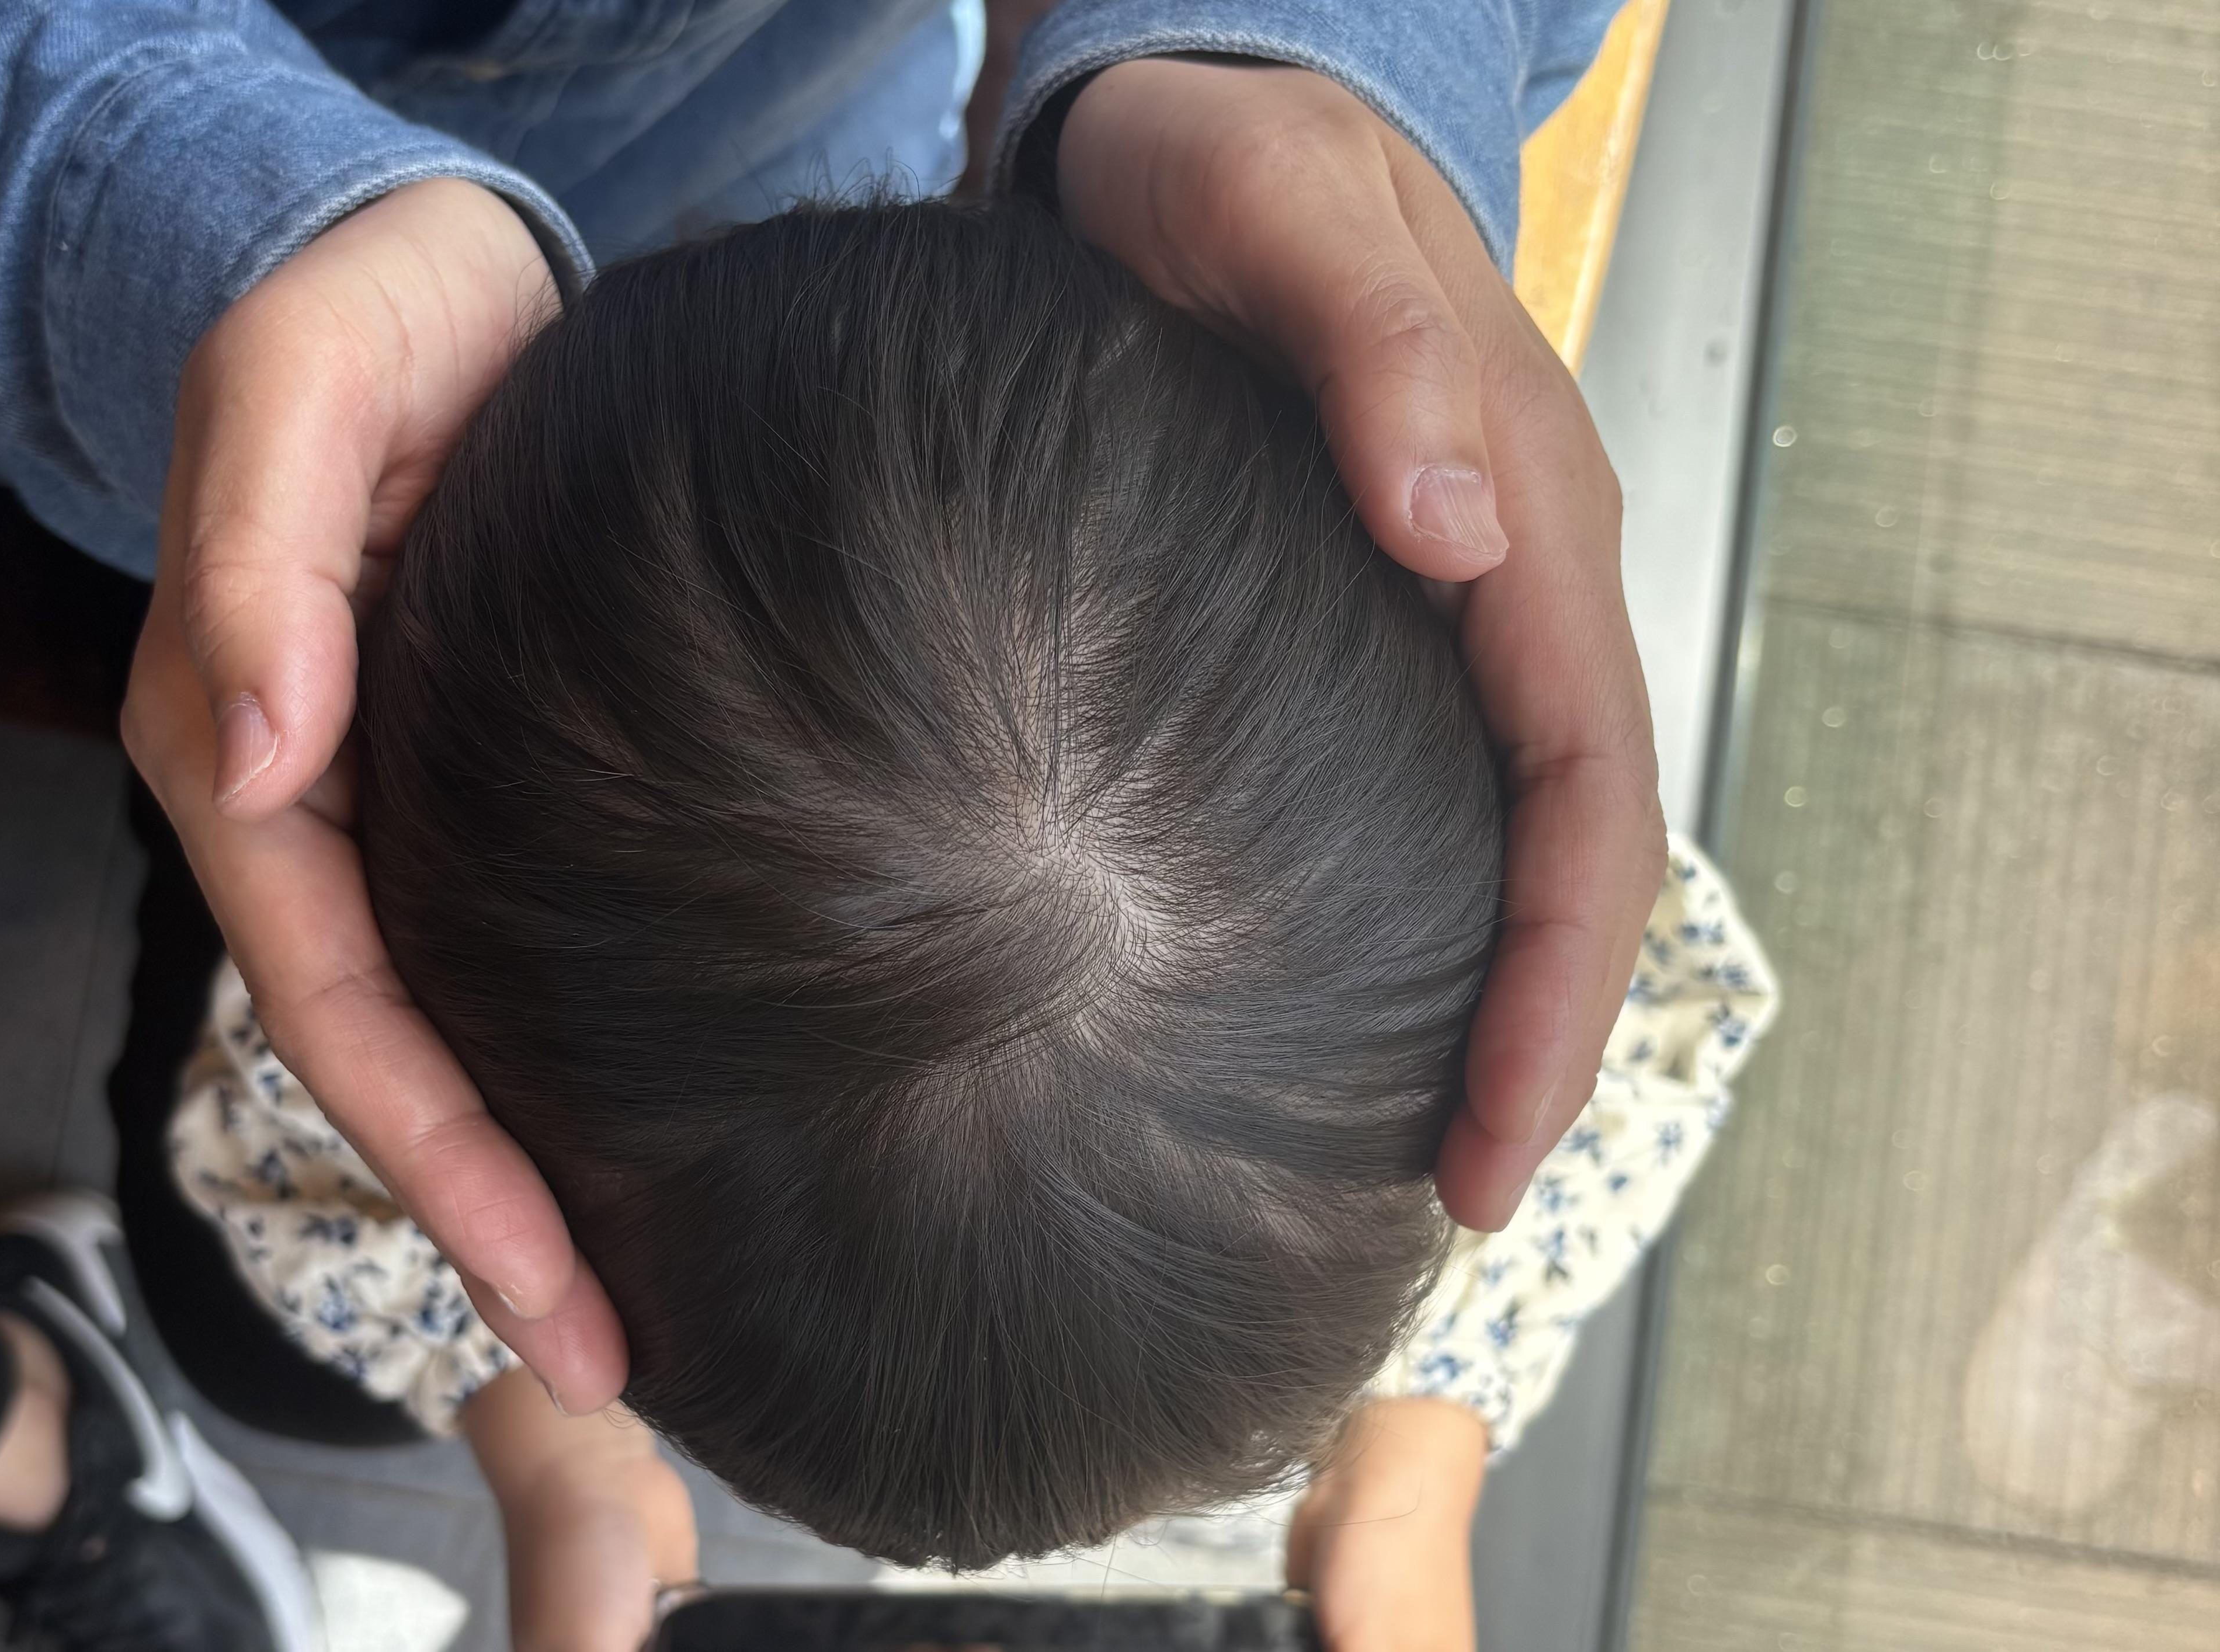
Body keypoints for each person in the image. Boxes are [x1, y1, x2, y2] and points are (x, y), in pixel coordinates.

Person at [0, 1, 1666, 1644]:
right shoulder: (342, 1060)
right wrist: (130, 197)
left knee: (260, 1333)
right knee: (250, 1335)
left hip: (126, 226)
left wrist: (1296, 60)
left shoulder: (1420, 978)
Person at [154, 197, 1778, 1651]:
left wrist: (1413, 1467)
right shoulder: (346, 1034)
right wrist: (553, 1452)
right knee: (225, 1343)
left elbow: (1609, 1066)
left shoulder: (1499, 1013)